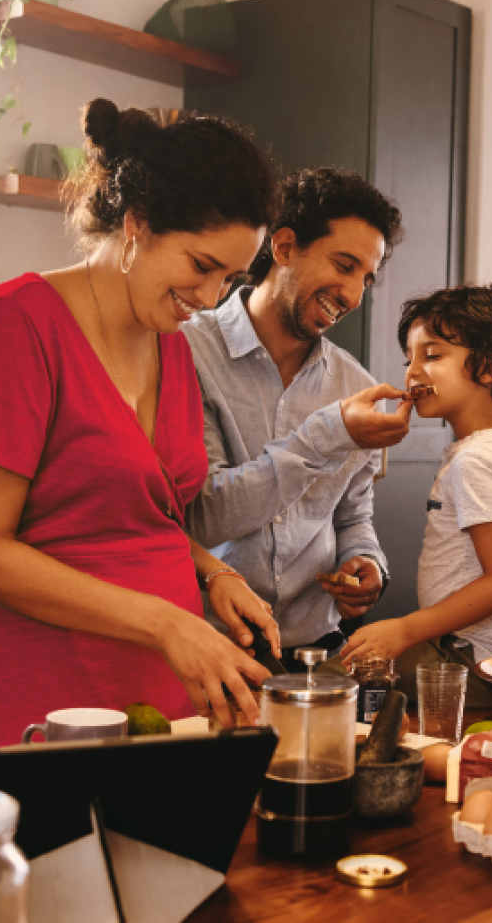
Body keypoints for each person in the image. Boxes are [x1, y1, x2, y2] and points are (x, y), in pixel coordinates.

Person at [0, 100, 283, 746]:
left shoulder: (172, 345)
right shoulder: (14, 327)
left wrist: (212, 572)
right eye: (202, 265)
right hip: (38, 693)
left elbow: (132, 517)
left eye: (231, 278)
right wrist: (166, 623)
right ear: (137, 223)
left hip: (159, 693)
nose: (211, 299)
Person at [186, 169, 411, 672]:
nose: (353, 295)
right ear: (285, 246)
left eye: (365, 278)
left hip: (316, 653)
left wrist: (367, 565)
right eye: (344, 265)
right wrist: (330, 434)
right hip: (210, 651)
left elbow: (352, 516)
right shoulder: (187, 351)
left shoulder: (355, 385)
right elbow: (203, 514)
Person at [338, 282, 492, 697]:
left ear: (490, 367)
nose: (413, 371)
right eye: (409, 358)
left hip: (477, 661)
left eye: (433, 355)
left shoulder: (475, 460)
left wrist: (405, 629)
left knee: (331, 687)